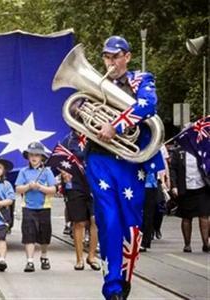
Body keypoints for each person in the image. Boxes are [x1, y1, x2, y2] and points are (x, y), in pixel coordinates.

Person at [83, 36, 164, 300]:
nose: (110, 62)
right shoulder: (97, 83)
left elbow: (147, 105)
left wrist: (115, 126)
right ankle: (113, 284)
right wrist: (90, 121)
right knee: (108, 219)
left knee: (131, 224)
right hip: (99, 158)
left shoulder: (141, 79)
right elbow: (81, 113)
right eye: (106, 57)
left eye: (115, 56)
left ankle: (124, 276)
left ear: (127, 57)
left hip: (130, 161)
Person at [59, 131, 100, 271]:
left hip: (95, 183)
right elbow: (59, 159)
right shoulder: (68, 140)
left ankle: (92, 256)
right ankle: (79, 259)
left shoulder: (94, 137)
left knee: (95, 220)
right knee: (79, 222)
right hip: (75, 185)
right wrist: (63, 172)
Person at [15, 141, 56, 273]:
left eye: (37, 155)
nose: (34, 157)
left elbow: (53, 189)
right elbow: (18, 189)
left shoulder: (47, 171)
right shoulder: (23, 171)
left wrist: (40, 187)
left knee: (45, 233)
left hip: (44, 207)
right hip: (28, 207)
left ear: (42, 157)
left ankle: (44, 256)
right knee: (29, 233)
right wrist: (28, 186)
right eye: (31, 154)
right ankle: (30, 261)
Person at [169, 144, 210, 253]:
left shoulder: (204, 149)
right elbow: (173, 169)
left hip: (202, 187)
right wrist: (174, 186)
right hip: (186, 188)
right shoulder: (179, 152)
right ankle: (187, 244)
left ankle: (206, 243)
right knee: (186, 217)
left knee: (204, 216)